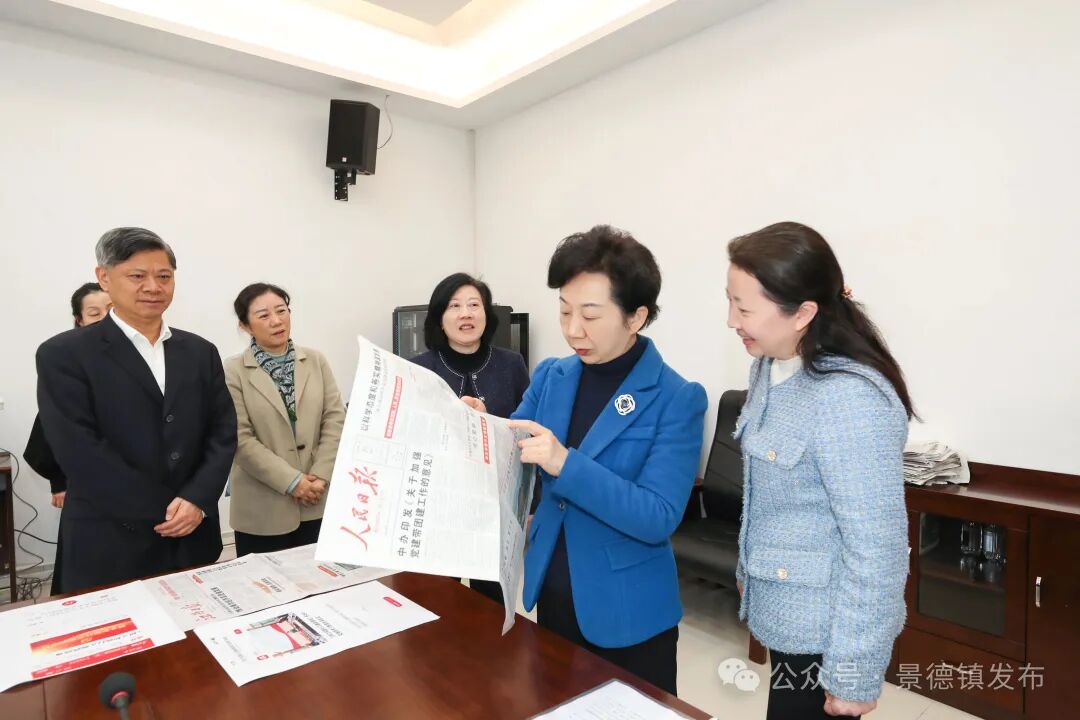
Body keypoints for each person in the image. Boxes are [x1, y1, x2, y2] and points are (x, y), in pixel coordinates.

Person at [470, 225, 707, 695]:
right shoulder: (552, 376)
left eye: (591, 315)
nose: (573, 329)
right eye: (564, 311)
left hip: (628, 613)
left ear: (636, 317)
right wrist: (478, 425)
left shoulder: (676, 397)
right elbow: (513, 451)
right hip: (553, 592)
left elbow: (657, 516)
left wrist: (565, 463)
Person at [726, 222, 914, 719]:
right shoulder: (770, 365)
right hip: (787, 614)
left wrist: (854, 673)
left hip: (829, 634)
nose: (731, 320)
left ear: (804, 313)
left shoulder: (850, 397)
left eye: (744, 309)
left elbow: (877, 550)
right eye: (730, 302)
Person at [36, 227, 237, 593]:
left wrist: (197, 499)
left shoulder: (200, 352)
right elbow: (79, 450)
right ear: (104, 277)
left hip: (193, 538)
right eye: (137, 276)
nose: (153, 287)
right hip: (110, 541)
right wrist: (167, 509)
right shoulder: (64, 355)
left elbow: (222, 433)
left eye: (164, 276)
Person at [411, 272, 529, 604]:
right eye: (455, 306)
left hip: (494, 509)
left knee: (490, 605)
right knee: (437, 601)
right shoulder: (420, 369)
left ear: (486, 314)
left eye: (474, 305)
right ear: (439, 317)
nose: (466, 314)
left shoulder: (511, 364)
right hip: (438, 510)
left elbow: (526, 431)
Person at [224, 283, 346, 557]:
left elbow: (335, 419)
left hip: (319, 499)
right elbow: (240, 438)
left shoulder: (315, 360)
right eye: (264, 315)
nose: (277, 321)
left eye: (281, 311)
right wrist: (293, 482)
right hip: (262, 509)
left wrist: (320, 476)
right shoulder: (233, 371)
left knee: (324, 578)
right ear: (245, 325)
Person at [23, 282, 112, 594]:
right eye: (94, 313)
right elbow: (51, 426)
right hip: (86, 485)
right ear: (80, 320)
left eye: (111, 310)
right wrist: (59, 480)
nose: (104, 319)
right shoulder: (67, 359)